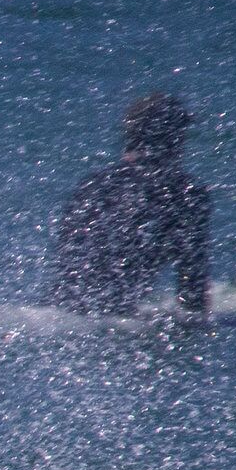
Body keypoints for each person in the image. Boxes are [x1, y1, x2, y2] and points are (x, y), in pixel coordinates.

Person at [48, 91, 211, 318]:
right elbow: (192, 288)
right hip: (119, 319)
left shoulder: (92, 186)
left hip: (61, 311)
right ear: (176, 137)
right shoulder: (185, 192)